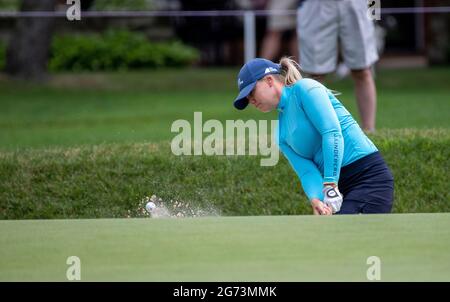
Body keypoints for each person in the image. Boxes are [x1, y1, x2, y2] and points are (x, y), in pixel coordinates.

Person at [233, 57, 394, 215]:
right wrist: (317, 200)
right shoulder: (280, 133)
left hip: (367, 177)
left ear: (269, 80)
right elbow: (307, 172)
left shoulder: (305, 89)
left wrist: (330, 184)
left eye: (252, 92)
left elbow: (332, 133)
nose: (251, 100)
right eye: (247, 98)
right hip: (337, 188)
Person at [297, 0, 379, 132]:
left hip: (358, 4)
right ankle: (315, 132)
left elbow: (374, 8)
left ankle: (370, 131)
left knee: (363, 69)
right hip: (315, 5)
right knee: (314, 74)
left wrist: (375, 10)